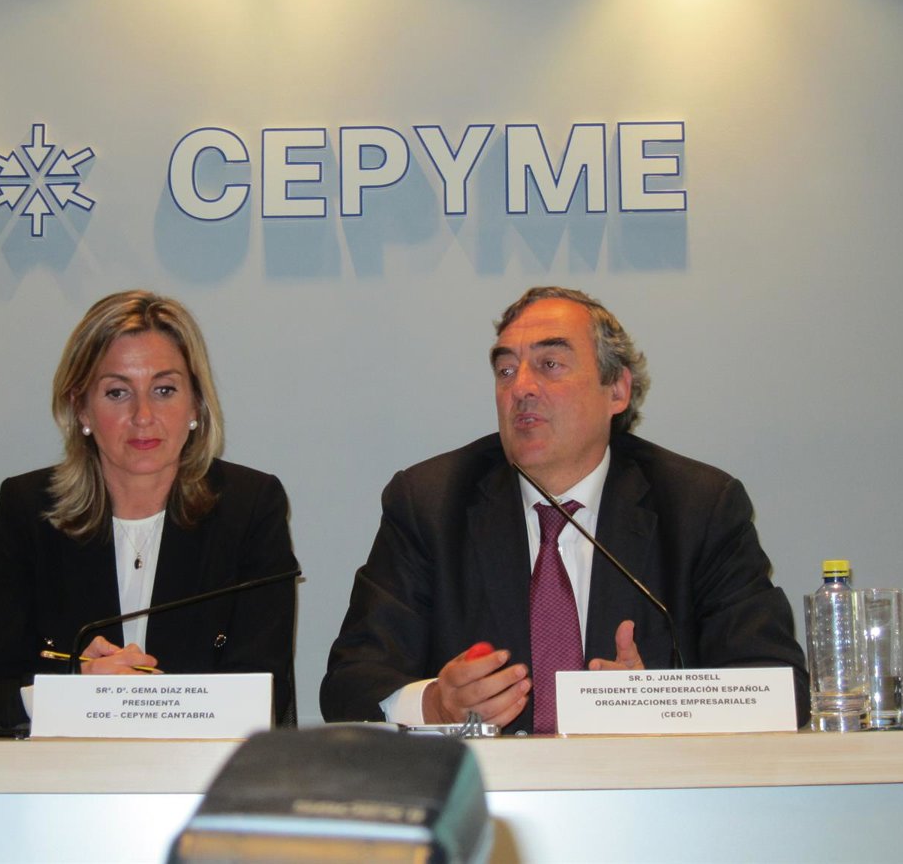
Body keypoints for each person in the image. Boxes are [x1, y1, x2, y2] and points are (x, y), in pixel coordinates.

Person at [321, 287, 808, 733]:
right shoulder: (431, 502)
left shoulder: (697, 507)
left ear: (616, 390)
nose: (521, 388)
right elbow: (349, 684)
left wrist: (662, 705)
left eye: (550, 364)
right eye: (506, 370)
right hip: (486, 790)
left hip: (644, 792)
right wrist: (435, 706)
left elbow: (781, 685)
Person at [0, 290, 300, 728]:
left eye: (164, 390)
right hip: (68, 767)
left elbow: (264, 693)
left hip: (204, 765)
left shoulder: (249, 507)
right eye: (117, 392)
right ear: (80, 408)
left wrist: (137, 700)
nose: (143, 415)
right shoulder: (28, 511)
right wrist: (78, 686)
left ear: (195, 404)